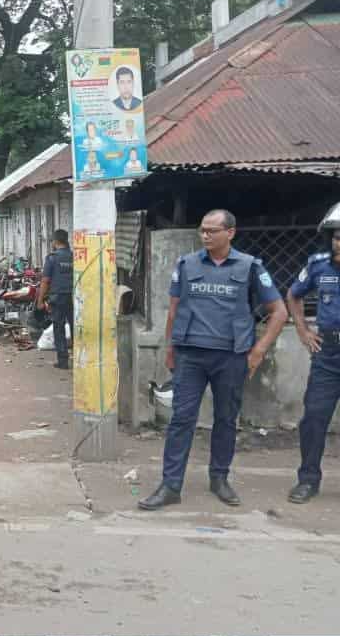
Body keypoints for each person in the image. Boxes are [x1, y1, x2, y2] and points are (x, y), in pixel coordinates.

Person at [139, 210, 288, 510]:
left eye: (212, 230)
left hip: (231, 358)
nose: (205, 235)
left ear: (230, 232)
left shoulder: (249, 267)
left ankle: (219, 478)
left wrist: (258, 351)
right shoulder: (187, 263)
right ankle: (170, 486)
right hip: (190, 355)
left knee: (225, 419)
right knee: (181, 419)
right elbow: (173, 310)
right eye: (202, 230)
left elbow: (280, 312)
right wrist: (170, 348)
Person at [287, 203, 340, 504]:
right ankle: (308, 480)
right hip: (329, 355)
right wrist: (303, 330)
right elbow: (293, 295)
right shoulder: (318, 264)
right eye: (336, 236)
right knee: (314, 419)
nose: (339, 242)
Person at [37, 230, 73, 370]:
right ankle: (80, 359)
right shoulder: (74, 256)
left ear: (56, 241)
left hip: (58, 298)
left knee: (59, 328)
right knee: (75, 328)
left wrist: (40, 300)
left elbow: (45, 281)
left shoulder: (52, 258)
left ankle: (63, 361)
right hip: (74, 297)